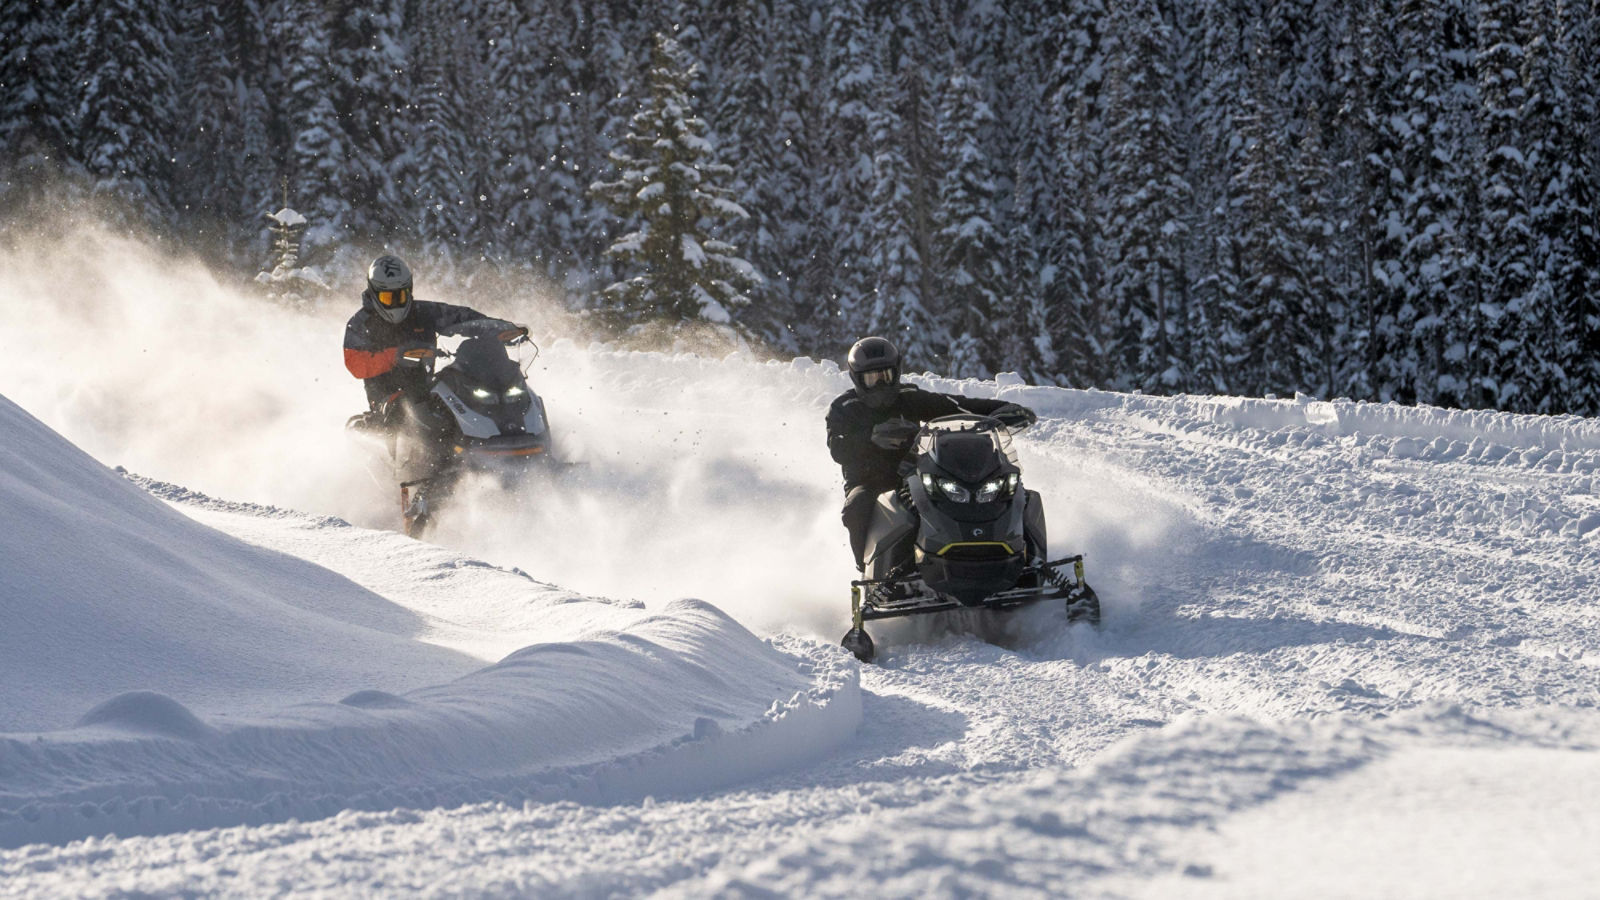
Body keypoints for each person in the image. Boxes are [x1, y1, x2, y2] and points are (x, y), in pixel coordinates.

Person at [825, 336, 1037, 569]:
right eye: (872, 379)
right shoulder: (843, 408)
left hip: (915, 471)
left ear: (896, 372)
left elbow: (956, 407)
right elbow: (838, 447)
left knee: (991, 488)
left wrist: (1001, 410)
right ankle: (868, 569)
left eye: (885, 376)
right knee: (856, 507)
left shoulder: (909, 397)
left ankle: (1019, 554)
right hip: (870, 479)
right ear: (857, 378)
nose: (881, 385)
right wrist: (871, 438)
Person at [343, 254, 527, 509]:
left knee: (470, 398)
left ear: (410, 290)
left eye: (402, 295)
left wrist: (495, 328)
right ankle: (429, 482)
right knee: (422, 417)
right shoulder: (361, 323)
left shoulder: (422, 313)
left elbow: (460, 317)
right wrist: (395, 356)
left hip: (427, 388)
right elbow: (355, 362)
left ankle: (517, 455)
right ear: (374, 294)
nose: (396, 303)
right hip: (388, 396)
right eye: (388, 297)